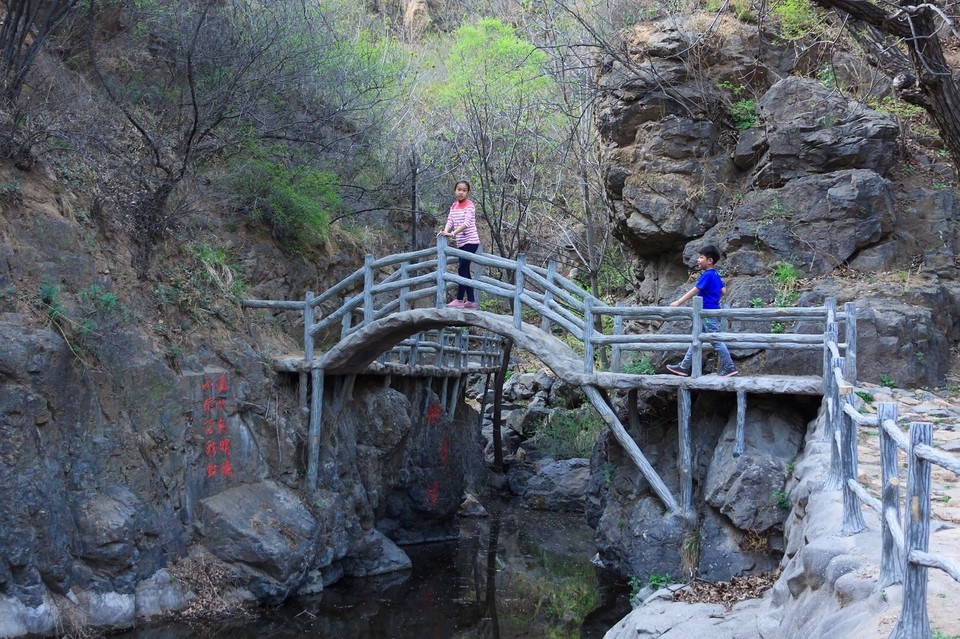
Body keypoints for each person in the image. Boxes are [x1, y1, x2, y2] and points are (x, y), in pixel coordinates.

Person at [666, 245, 738, 377]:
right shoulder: (716, 274)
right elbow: (723, 291)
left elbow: (695, 290)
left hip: (706, 312)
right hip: (711, 311)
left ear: (709, 261)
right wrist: (713, 296)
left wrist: (678, 302)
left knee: (715, 340)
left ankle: (730, 367)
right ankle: (683, 366)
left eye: (701, 257)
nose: (698, 260)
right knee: (696, 339)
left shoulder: (707, 275)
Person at [438, 180, 481, 309]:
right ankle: (469, 301)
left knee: (462, 269)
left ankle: (462, 299)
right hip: (461, 243)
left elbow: (467, 223)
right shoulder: (454, 206)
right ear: (455, 190)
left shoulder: (470, 206)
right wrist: (445, 231)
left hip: (471, 241)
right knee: (464, 270)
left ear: (467, 192)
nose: (461, 192)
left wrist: (452, 234)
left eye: (464, 190)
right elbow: (450, 220)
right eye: (459, 189)